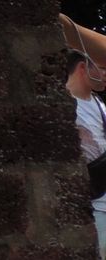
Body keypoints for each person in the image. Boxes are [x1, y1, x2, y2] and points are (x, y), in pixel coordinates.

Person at [67, 50, 106, 256]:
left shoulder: (100, 103)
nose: (105, 74)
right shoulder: (65, 105)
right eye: (103, 68)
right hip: (91, 205)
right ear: (83, 68)